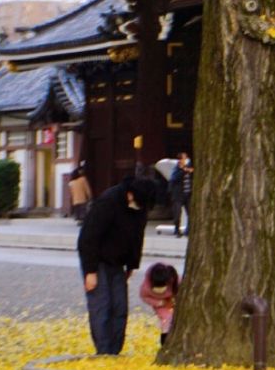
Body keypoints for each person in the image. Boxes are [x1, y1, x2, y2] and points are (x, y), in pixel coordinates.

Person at [77, 174, 158, 355]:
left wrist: (131, 265)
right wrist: (90, 271)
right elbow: (88, 238)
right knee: (102, 306)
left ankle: (115, 351)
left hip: (118, 263)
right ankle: (104, 352)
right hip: (98, 261)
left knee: (120, 307)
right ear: (130, 194)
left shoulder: (139, 208)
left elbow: (137, 238)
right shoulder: (108, 202)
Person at [140, 261, 180, 348]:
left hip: (172, 300)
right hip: (160, 304)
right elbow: (144, 297)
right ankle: (165, 342)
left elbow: (179, 287)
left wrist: (174, 299)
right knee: (166, 319)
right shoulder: (146, 288)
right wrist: (159, 303)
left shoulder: (173, 279)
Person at [168, 152, 192, 237]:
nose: (186, 159)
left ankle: (188, 230)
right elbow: (173, 178)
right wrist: (182, 170)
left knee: (190, 213)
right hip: (178, 194)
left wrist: (187, 169)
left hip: (188, 193)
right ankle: (177, 230)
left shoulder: (189, 167)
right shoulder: (177, 168)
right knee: (177, 213)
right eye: (184, 158)